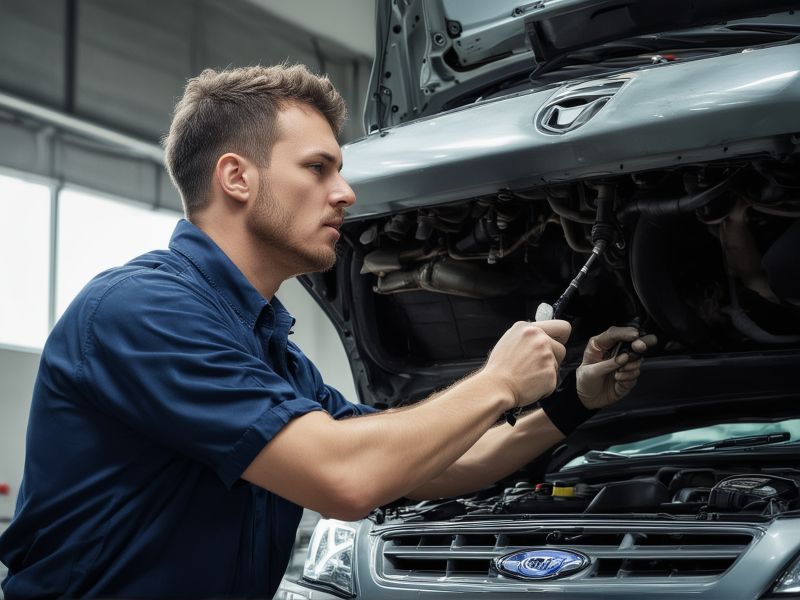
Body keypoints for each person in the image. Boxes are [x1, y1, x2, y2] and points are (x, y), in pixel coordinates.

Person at [0, 64, 656, 598]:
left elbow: (440, 466)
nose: (345, 193)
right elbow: (346, 480)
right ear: (236, 177)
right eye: (319, 168)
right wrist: (496, 381)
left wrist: (575, 399)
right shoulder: (142, 312)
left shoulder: (272, 357)